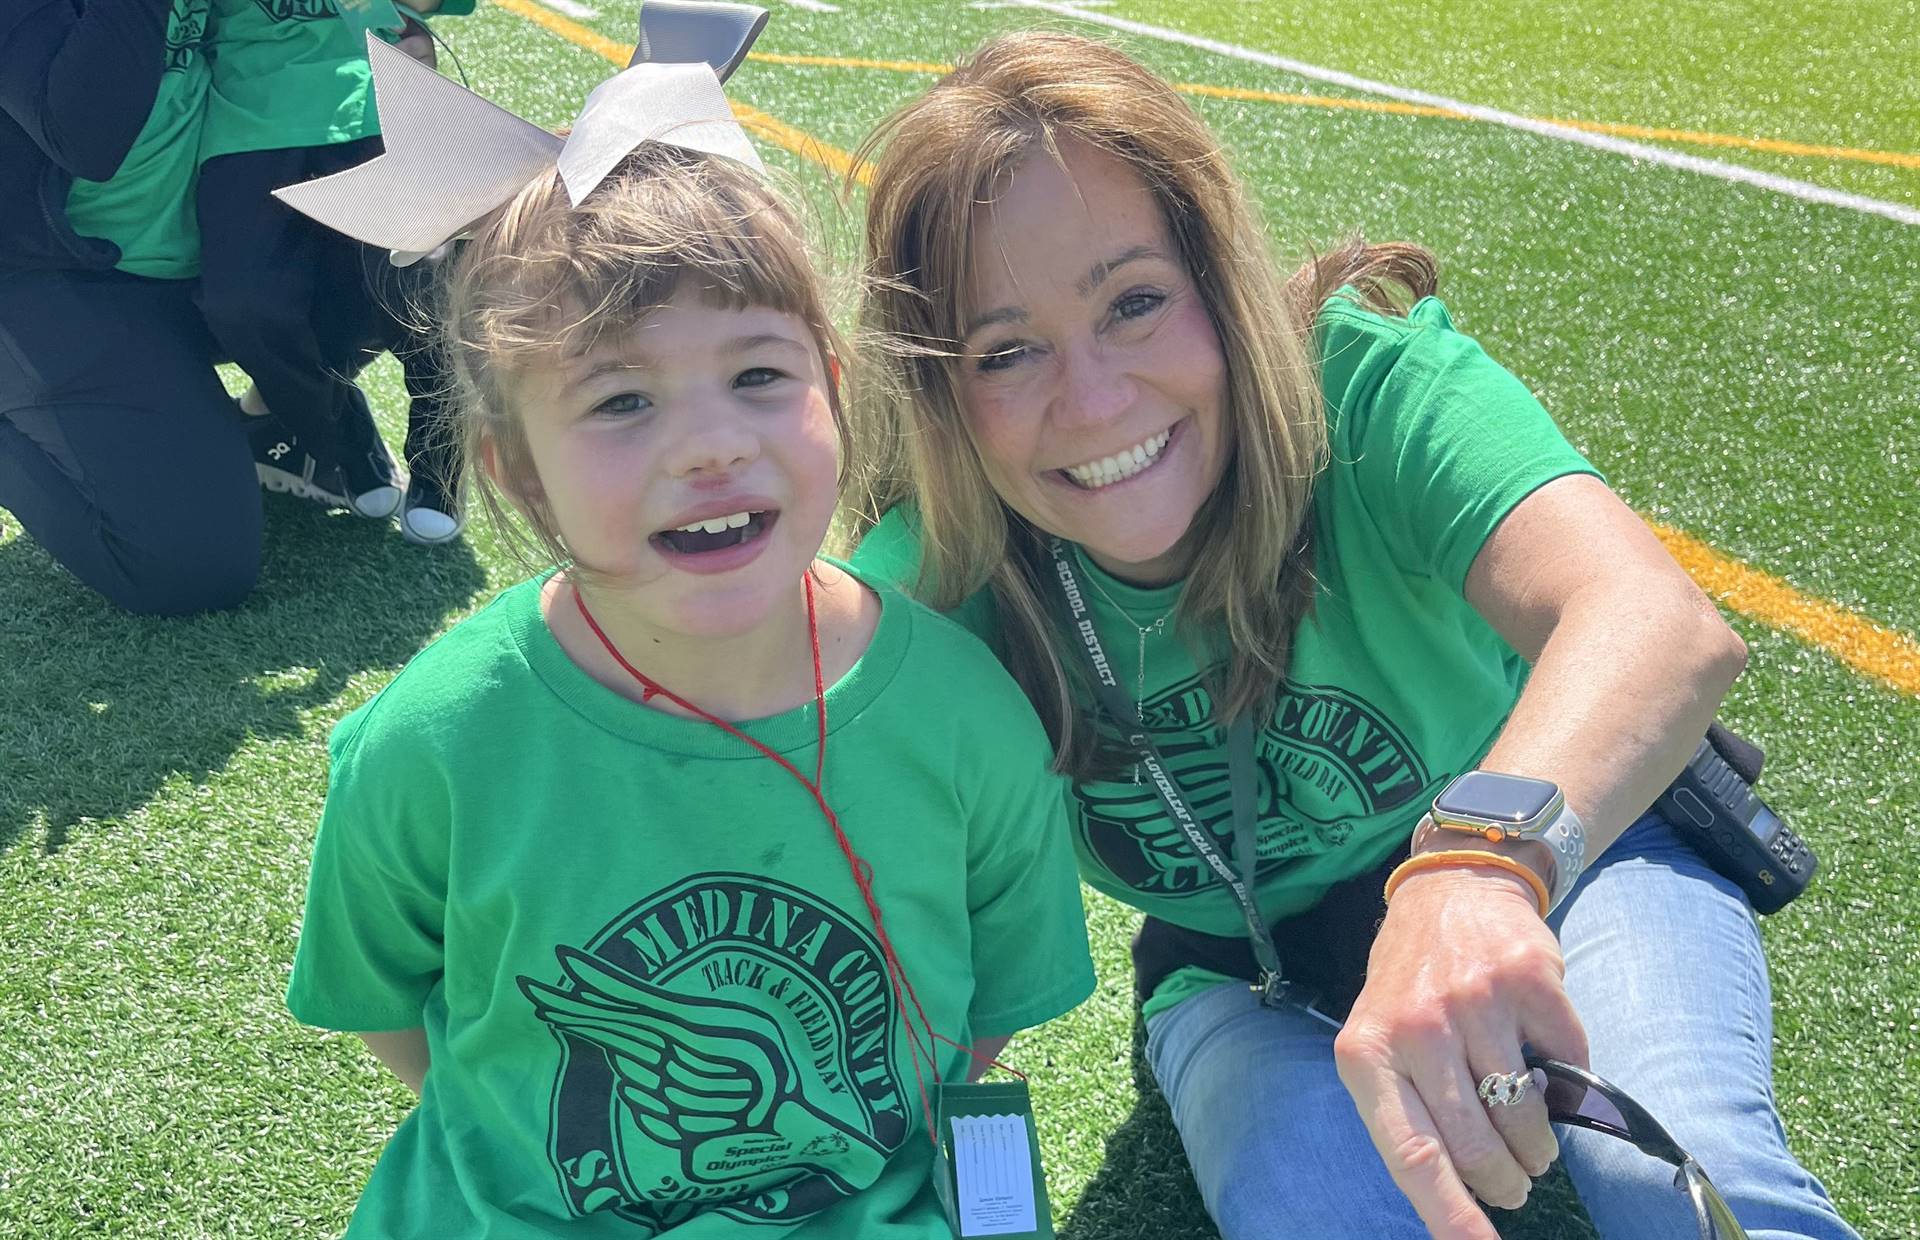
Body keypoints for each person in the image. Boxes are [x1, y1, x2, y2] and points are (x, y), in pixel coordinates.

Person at [847, 30, 1858, 1240]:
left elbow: (1655, 620)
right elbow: (758, 799)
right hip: (1243, 972)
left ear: (1219, 285)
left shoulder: (1365, 390)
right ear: (938, 390)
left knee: (1686, 1177)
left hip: (1562, 864)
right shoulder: (932, 578)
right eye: (1005, 350)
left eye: (1135, 302)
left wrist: (1476, 867)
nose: (1097, 399)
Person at [281, 35, 1095, 1236]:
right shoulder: (433, 744)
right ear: (519, 470)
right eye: (620, 400)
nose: (710, 444)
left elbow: (983, 1010)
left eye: (758, 374)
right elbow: (389, 1007)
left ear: (833, 384)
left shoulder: (966, 716)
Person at [0, 0, 258, 614]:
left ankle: (290, 418)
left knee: (402, 268)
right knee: (193, 567)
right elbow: (84, 134)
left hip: (206, 257)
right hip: (56, 276)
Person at [196, 0, 470, 541]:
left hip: (379, 97)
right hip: (244, 116)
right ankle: (342, 432)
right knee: (245, 307)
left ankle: (441, 464)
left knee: (418, 287)